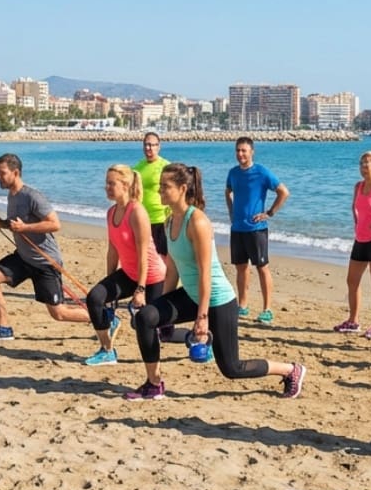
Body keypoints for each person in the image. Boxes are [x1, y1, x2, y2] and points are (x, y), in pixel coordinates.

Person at [129, 163, 306, 400]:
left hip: (217, 299)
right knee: (146, 317)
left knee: (232, 368)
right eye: (160, 186)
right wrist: (162, 312)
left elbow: (205, 274)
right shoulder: (170, 221)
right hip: (192, 295)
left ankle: (290, 370)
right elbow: (172, 270)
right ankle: (154, 383)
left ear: (182, 189)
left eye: (165, 187)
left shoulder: (198, 222)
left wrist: (202, 319)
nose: (159, 191)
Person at [0, 153, 91, 342]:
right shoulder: (12, 196)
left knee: (58, 313)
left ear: (16, 172)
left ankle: (103, 319)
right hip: (23, 257)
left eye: (2, 173)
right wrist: (3, 224)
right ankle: (4, 328)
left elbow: (55, 224)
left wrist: (25, 228)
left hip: (45, 261)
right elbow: (17, 224)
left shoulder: (32, 196)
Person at [82, 164, 168, 366]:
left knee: (158, 327)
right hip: (129, 273)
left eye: (111, 184)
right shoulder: (111, 212)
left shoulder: (137, 212)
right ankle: (107, 350)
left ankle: (200, 338)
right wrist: (108, 289)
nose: (107, 188)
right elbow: (113, 250)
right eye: (106, 183)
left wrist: (140, 289)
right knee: (95, 298)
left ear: (125, 185)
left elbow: (143, 255)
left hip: (152, 276)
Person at [224, 136, 288, 325]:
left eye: (244, 150)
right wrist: (230, 210)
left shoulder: (261, 172)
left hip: (256, 229)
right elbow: (227, 191)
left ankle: (267, 309)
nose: (240, 154)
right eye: (238, 150)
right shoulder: (233, 173)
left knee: (262, 267)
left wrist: (270, 212)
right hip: (237, 228)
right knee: (241, 267)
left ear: (252, 152)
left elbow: (283, 192)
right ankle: (242, 305)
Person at [334, 151, 371, 339]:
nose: (364, 166)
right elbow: (354, 207)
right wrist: (357, 225)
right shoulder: (358, 186)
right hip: (360, 239)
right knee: (352, 280)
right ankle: (353, 320)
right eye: (361, 163)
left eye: (367, 163)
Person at [133, 131, 171, 257]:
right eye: (146, 145)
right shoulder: (137, 167)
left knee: (162, 258)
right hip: (142, 219)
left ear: (158, 147)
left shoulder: (166, 166)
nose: (149, 148)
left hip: (161, 219)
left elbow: (173, 193)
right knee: (144, 256)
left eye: (152, 145)